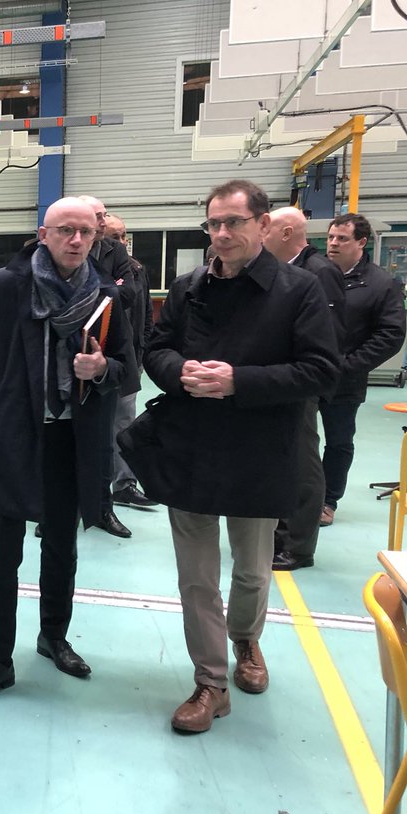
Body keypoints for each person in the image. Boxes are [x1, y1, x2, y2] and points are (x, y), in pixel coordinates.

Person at [122, 179, 338, 734]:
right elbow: (156, 348)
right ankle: (210, 683)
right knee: (196, 577)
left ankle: (246, 641)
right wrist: (180, 372)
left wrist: (239, 381)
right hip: (191, 447)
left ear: (263, 225)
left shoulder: (299, 290)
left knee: (252, 571)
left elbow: (320, 370)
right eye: (213, 224)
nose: (221, 233)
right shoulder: (189, 287)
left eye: (233, 222)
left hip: (260, 450)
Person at [0, 197, 131, 702]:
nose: (76, 240)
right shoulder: (5, 286)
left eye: (86, 232)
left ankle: (54, 636)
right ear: (43, 234)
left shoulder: (105, 295)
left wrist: (102, 370)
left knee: (60, 547)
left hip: (71, 440)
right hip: (12, 436)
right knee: (0, 553)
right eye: (65, 230)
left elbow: (127, 365)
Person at [262, 206, 345, 571]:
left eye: (266, 229)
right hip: (279, 380)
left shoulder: (317, 273)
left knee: (303, 463)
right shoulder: (282, 270)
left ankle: (298, 546)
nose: (260, 236)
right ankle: (281, 535)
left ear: (285, 233)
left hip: (300, 381)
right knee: (283, 459)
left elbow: (328, 336)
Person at [319, 213, 406, 527]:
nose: (333, 243)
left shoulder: (381, 284)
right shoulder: (315, 274)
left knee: (338, 441)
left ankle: (327, 501)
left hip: (345, 379)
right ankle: (297, 495)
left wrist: (349, 366)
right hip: (307, 374)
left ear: (361, 242)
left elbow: (391, 335)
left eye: (342, 238)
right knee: (296, 437)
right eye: (331, 237)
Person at [77, 195, 137, 539]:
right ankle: (60, 510)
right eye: (96, 216)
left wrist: (108, 292)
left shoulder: (115, 250)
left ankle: (103, 509)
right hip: (67, 361)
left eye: (103, 216)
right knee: (61, 444)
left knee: (104, 442)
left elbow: (127, 293)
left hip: (108, 349)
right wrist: (109, 288)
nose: (102, 222)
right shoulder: (54, 252)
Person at [102, 214, 156, 512]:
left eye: (124, 236)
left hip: (129, 359)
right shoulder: (92, 267)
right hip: (98, 359)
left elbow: (145, 312)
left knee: (124, 423)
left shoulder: (136, 270)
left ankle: (124, 485)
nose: (122, 242)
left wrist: (141, 350)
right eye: (115, 237)